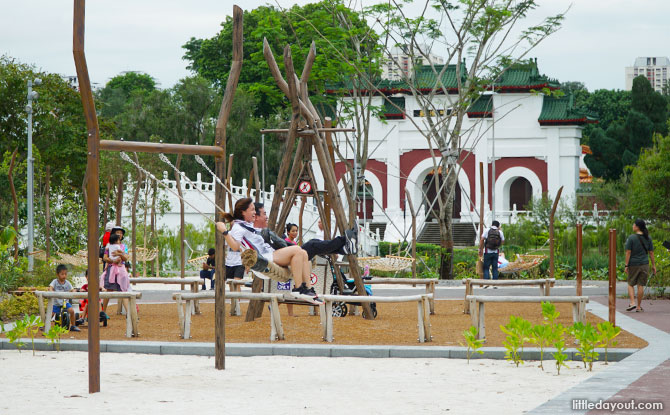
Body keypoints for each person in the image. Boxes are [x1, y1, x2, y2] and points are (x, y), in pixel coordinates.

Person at [216, 198, 322, 303]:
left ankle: (307, 288)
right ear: (243, 212)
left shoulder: (246, 224)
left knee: (303, 253)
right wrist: (224, 231)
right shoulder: (238, 227)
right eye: (252, 210)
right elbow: (235, 246)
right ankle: (298, 288)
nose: (254, 212)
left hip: (269, 253)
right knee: (298, 250)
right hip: (263, 258)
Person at [624, 219, 656, 312]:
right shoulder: (648, 238)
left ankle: (632, 302)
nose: (633, 225)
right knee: (640, 285)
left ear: (637, 226)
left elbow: (628, 252)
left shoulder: (631, 238)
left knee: (630, 284)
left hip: (633, 264)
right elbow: (651, 253)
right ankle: (638, 306)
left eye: (634, 224)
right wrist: (653, 265)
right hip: (645, 264)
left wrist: (626, 265)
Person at [101, 226, 130, 317]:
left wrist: (120, 254)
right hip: (111, 269)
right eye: (118, 232)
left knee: (123, 291)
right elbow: (105, 257)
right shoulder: (108, 246)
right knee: (109, 290)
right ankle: (103, 312)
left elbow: (125, 258)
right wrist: (113, 261)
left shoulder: (123, 246)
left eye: (121, 233)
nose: (120, 234)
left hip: (121, 271)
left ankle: (129, 313)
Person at [48, 264, 80, 332]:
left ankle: (73, 326)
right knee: (51, 314)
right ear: (57, 274)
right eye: (62, 274)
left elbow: (72, 289)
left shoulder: (67, 283)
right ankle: (45, 325)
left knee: (72, 311)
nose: (64, 276)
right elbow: (51, 287)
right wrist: (51, 291)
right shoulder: (55, 282)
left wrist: (74, 291)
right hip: (56, 303)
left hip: (65, 302)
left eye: (65, 274)